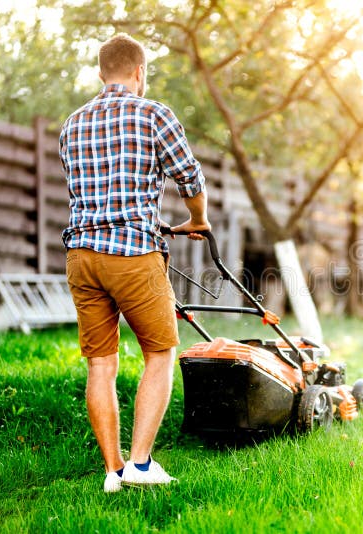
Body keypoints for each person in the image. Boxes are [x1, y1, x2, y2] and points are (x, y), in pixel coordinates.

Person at [59, 33, 210, 493]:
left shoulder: (72, 123)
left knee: (100, 366)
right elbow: (189, 176)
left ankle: (112, 471)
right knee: (160, 353)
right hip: (131, 253)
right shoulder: (154, 113)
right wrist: (197, 220)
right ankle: (140, 466)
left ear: (101, 73)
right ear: (140, 72)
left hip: (82, 256)